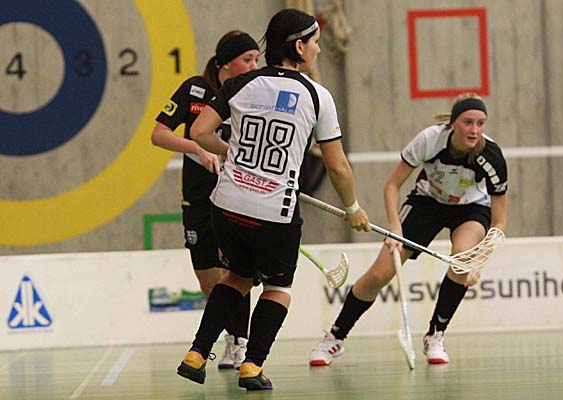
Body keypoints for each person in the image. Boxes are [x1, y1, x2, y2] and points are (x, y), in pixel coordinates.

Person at [175, 8, 370, 391]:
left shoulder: (240, 83)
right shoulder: (317, 95)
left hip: (227, 206)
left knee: (236, 277)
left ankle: (196, 354)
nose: (317, 49)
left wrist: (235, 155)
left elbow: (198, 132)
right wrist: (353, 208)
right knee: (277, 288)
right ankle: (252, 366)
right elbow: (337, 167)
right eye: (314, 42)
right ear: (298, 47)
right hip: (274, 214)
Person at [309, 93, 508, 366]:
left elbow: (499, 223)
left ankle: (435, 334)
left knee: (461, 260)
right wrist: (395, 229)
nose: (474, 130)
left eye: (480, 123)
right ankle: (335, 337)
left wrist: (477, 262)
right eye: (467, 122)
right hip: (426, 203)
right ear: (453, 123)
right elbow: (392, 186)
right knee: (378, 275)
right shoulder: (430, 140)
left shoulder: (491, 157)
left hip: (470, 209)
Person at [151, 31, 260, 370]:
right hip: (196, 197)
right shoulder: (194, 90)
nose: (254, 66)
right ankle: (230, 332)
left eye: (256, 60)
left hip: (235, 196)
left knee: (235, 271)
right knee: (208, 279)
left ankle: (239, 343)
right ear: (225, 62)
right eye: (247, 59)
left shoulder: (254, 95)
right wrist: (197, 147)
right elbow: (159, 134)